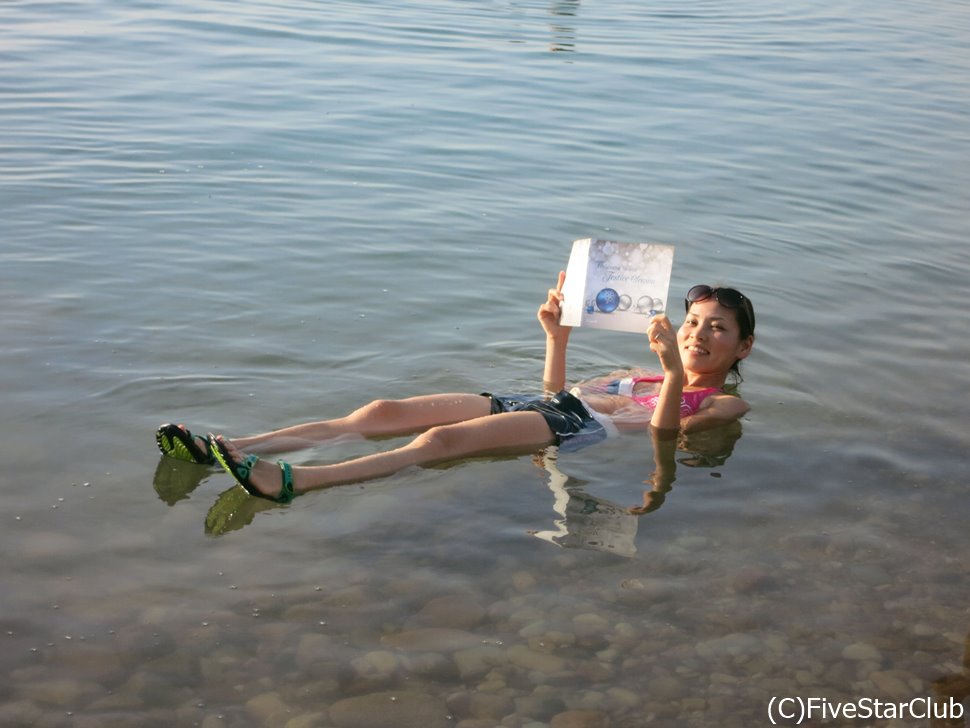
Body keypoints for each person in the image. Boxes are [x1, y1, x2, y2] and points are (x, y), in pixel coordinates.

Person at [155, 273, 755, 503]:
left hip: (576, 428)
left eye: (716, 328)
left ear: (741, 348)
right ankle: (231, 447)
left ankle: (292, 481)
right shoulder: (648, 369)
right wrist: (556, 337)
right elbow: (555, 390)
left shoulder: (723, 401)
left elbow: (665, 435)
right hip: (546, 405)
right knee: (381, 410)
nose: (698, 334)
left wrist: (676, 378)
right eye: (694, 321)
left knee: (440, 440)